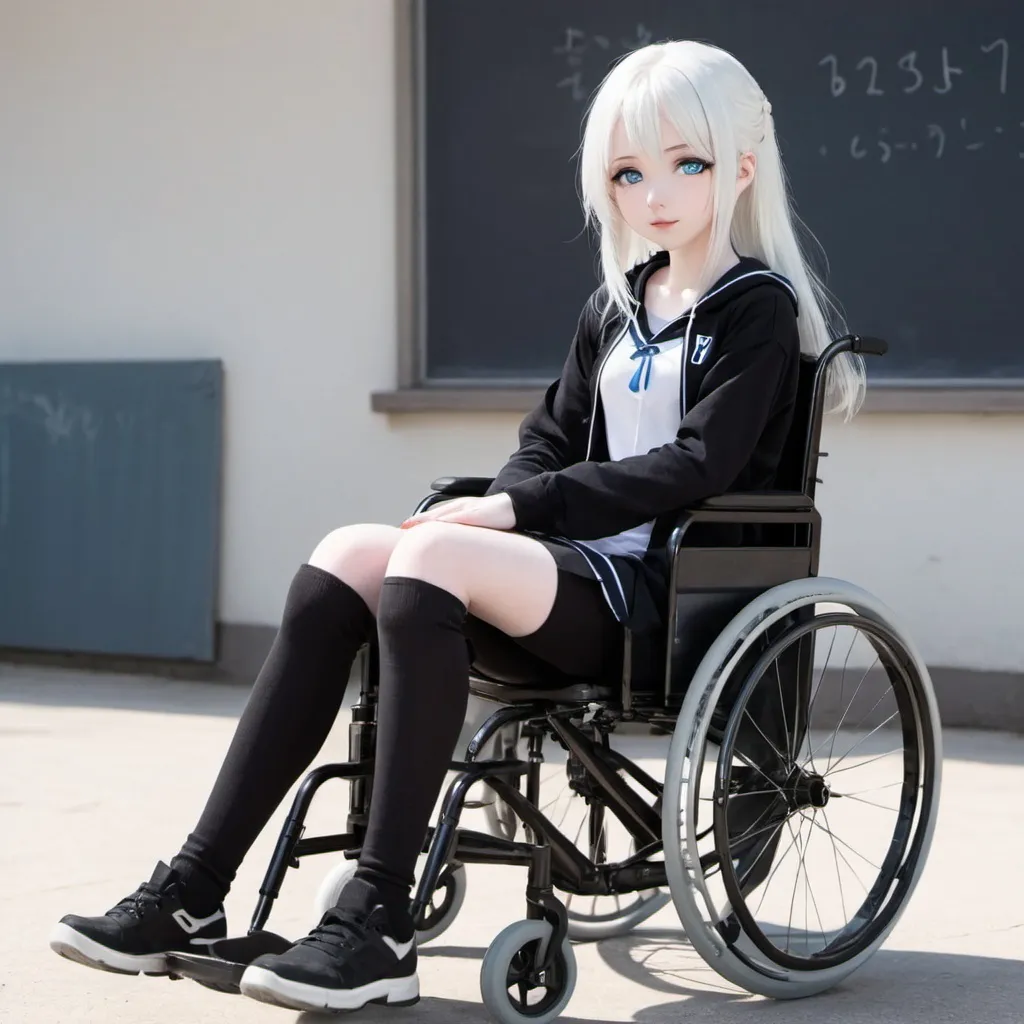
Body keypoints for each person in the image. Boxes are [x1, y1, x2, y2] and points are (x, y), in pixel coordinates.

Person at [48, 38, 864, 1014]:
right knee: (350, 551)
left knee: (436, 549)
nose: (654, 193)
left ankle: (381, 918)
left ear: (738, 167)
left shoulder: (756, 310)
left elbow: (699, 466)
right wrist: (500, 500)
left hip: (668, 594)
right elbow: (547, 440)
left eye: (685, 163)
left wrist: (522, 509)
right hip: (566, 570)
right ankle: (193, 888)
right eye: (628, 170)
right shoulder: (617, 306)